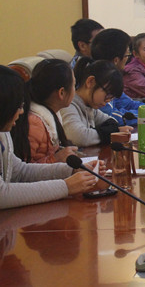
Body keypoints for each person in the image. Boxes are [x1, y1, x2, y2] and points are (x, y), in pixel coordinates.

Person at [0, 65, 102, 210]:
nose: (22, 111)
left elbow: (19, 171)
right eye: (18, 106)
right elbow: (2, 195)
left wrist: (72, 171)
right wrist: (66, 186)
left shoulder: (3, 133)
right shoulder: (28, 122)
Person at [90, 29, 145, 126]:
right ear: (116, 60)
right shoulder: (98, 84)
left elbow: (128, 104)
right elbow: (112, 117)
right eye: (127, 55)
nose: (128, 60)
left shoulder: (110, 79)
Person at [10, 59, 78, 163]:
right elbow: (23, 168)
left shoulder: (52, 113)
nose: (75, 90)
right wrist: (56, 159)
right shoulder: (35, 123)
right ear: (62, 93)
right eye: (74, 85)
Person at [62, 58, 131, 147]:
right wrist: (109, 133)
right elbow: (78, 137)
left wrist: (114, 130)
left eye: (111, 98)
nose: (107, 101)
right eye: (107, 95)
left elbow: (112, 121)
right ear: (90, 82)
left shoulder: (90, 107)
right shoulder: (68, 105)